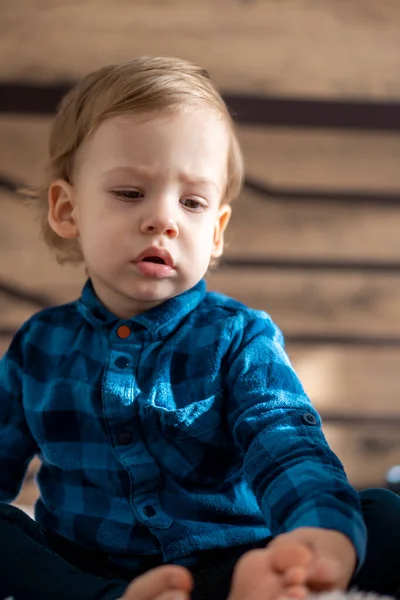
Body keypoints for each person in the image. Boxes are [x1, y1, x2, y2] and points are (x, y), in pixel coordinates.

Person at [0, 56, 399, 600]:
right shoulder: (39, 346)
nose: (164, 219)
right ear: (68, 210)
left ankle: (276, 583)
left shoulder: (239, 338)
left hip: (229, 560)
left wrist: (317, 535)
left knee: (378, 512)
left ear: (216, 232)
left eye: (192, 202)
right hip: (82, 573)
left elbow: (285, 443)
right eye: (130, 193)